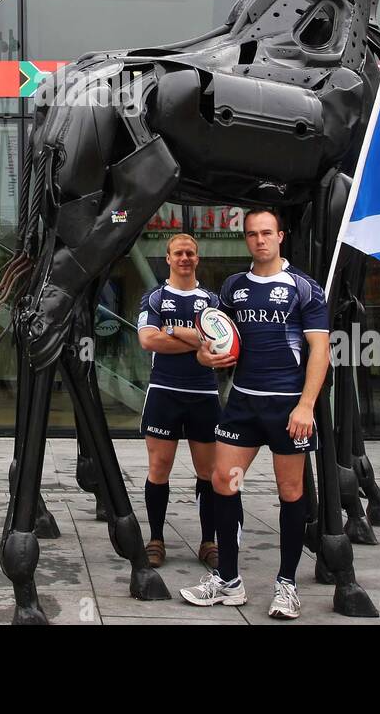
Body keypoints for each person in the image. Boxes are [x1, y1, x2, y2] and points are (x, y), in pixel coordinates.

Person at [179, 209, 332, 620]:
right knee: (222, 483)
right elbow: (214, 339)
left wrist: (305, 405)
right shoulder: (233, 287)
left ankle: (286, 585)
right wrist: (205, 355)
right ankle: (228, 581)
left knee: (291, 493)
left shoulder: (305, 289)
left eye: (267, 233)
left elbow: (321, 350)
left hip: (288, 407)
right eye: (252, 234)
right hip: (243, 403)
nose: (259, 240)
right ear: (246, 239)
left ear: (281, 236)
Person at [135, 233, 223, 570]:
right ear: (168, 258)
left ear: (197, 259)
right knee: (159, 469)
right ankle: (156, 539)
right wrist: (196, 339)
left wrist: (172, 330)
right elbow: (148, 340)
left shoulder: (212, 301)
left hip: (203, 393)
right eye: (178, 253)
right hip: (164, 392)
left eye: (190, 253)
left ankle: (208, 541)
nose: (184, 258)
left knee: (208, 472)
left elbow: (219, 344)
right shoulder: (155, 298)